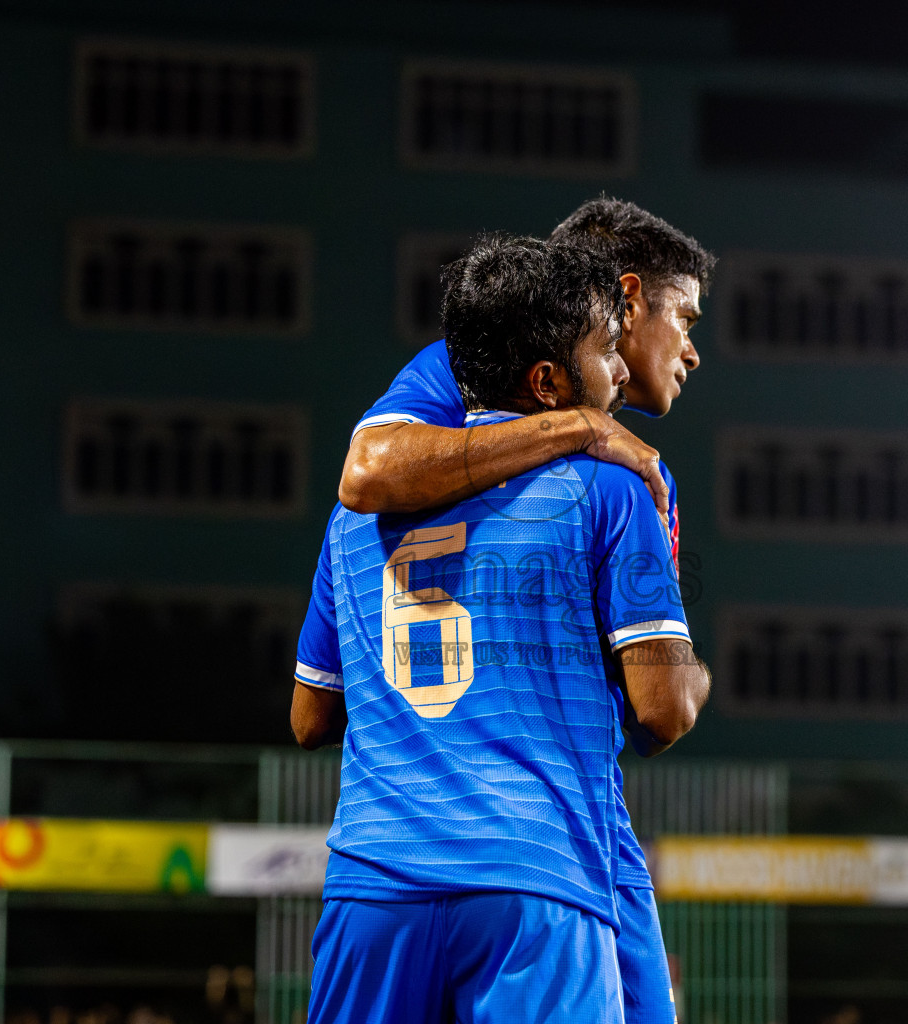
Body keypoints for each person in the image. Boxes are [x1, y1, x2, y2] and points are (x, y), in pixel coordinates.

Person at [292, 235, 711, 1024]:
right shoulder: (614, 487)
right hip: (538, 871)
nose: (624, 367)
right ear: (550, 379)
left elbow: (309, 716)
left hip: (375, 880)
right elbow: (664, 710)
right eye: (609, 349)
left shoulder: (352, 521)